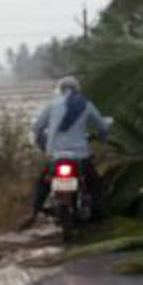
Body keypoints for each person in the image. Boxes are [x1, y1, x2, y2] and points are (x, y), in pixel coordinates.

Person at [27, 75, 110, 222]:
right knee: (95, 183)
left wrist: (45, 146)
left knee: (43, 182)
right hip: (80, 156)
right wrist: (103, 140)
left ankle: (33, 212)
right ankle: (99, 213)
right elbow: (102, 126)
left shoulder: (52, 105)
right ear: (77, 89)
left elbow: (37, 128)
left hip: (56, 156)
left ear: (60, 89)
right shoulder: (86, 104)